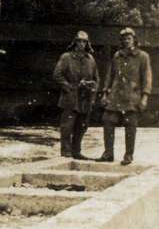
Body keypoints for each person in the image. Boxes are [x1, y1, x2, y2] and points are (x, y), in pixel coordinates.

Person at [98, 27, 152, 165]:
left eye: (129, 38)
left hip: (132, 97)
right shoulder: (117, 56)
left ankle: (128, 156)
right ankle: (108, 153)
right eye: (124, 39)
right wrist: (105, 93)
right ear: (121, 41)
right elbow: (110, 75)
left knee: (131, 125)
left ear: (134, 39)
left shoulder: (143, 56)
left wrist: (145, 97)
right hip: (115, 97)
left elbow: (147, 78)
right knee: (107, 121)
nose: (127, 41)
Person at [52, 31, 98, 159]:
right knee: (67, 126)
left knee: (82, 125)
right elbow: (57, 75)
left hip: (85, 97)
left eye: (84, 41)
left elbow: (96, 78)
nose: (81, 44)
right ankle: (66, 152)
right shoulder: (67, 57)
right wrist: (68, 88)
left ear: (87, 43)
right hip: (71, 96)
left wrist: (91, 87)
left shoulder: (90, 59)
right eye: (79, 41)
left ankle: (76, 151)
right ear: (75, 42)